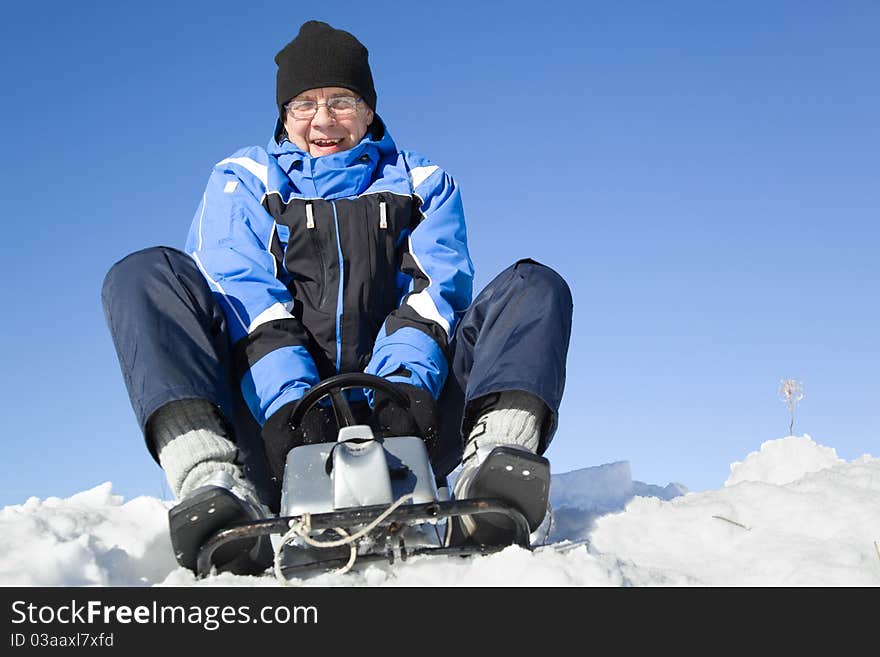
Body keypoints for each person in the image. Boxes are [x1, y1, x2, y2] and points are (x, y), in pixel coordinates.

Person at [102, 20, 573, 575]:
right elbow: (242, 291)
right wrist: (290, 408)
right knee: (144, 274)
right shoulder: (244, 177)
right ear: (284, 114)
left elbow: (436, 291)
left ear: (369, 109)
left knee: (533, 286)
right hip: (274, 426)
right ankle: (212, 482)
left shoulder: (424, 181)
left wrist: (400, 398)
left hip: (412, 417)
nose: (322, 120)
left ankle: (494, 466)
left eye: (341, 101)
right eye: (303, 104)